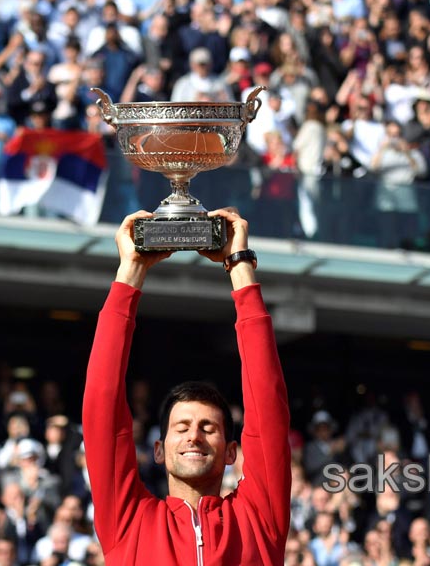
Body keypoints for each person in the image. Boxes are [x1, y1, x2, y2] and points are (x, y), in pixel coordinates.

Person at [82, 207, 292, 564]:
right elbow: (102, 406)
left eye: (208, 428)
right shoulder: (128, 522)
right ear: (159, 450)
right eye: (182, 427)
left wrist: (239, 265)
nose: (194, 435)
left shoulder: (258, 518)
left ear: (230, 453)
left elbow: (267, 405)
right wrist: (129, 272)